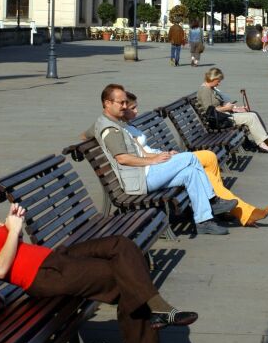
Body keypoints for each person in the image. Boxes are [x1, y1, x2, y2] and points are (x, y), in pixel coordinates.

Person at [0, 162, 198, 343]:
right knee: (122, 275)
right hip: (43, 276)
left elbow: (12, 250)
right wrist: (12, 231)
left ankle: (157, 308)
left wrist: (16, 227)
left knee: (121, 246)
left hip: (53, 259)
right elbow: (1, 269)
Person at [94, 84, 235, 235]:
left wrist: (158, 156)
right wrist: (152, 161)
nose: (124, 106)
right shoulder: (111, 130)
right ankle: (213, 201)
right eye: (120, 103)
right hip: (141, 179)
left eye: (125, 102)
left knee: (191, 172)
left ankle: (203, 221)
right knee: (190, 157)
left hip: (145, 173)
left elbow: (136, 151)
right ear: (107, 103)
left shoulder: (112, 122)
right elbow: (122, 158)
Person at [120, 91, 268, 227]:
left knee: (209, 156)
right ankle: (241, 212)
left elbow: (146, 150)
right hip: (152, 169)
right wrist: (158, 157)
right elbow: (137, 156)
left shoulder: (131, 125)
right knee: (196, 166)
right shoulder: (121, 129)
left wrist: (165, 152)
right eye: (133, 108)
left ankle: (220, 205)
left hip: (159, 160)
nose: (137, 111)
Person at [197, 67, 268, 153]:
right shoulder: (205, 90)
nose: (219, 83)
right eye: (218, 81)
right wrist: (226, 108)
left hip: (222, 116)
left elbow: (216, 106)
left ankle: (263, 143)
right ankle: (262, 145)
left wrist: (236, 108)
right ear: (213, 79)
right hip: (219, 121)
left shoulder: (210, 88)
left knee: (252, 114)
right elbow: (209, 111)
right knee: (251, 117)